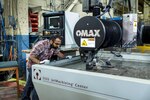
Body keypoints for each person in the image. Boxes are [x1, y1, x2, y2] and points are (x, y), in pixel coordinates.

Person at [21, 34, 64, 100]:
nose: (58, 46)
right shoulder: (41, 45)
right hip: (33, 66)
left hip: (42, 67)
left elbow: (58, 53)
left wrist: (66, 57)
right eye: (56, 44)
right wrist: (40, 63)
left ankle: (24, 98)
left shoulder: (53, 46)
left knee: (30, 84)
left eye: (59, 44)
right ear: (51, 41)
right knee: (38, 85)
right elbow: (31, 57)